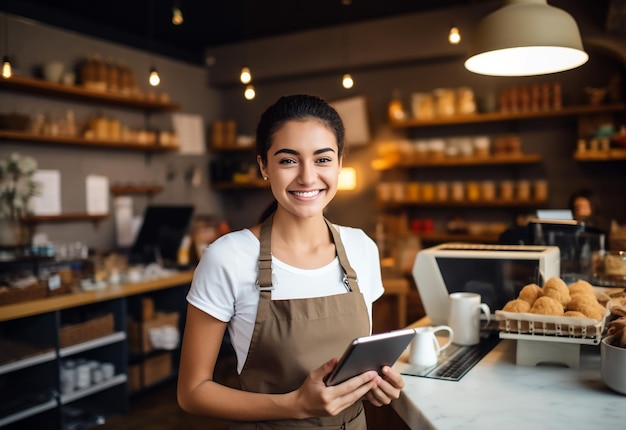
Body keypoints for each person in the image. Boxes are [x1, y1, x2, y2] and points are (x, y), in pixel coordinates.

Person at [177, 94, 405, 429]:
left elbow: (356, 364)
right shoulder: (228, 257)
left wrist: (374, 383)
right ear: (264, 166)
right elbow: (192, 392)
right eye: (288, 161)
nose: (308, 177)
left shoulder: (361, 248)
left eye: (323, 159)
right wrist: (295, 405)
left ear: (341, 162)